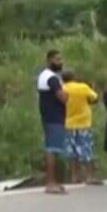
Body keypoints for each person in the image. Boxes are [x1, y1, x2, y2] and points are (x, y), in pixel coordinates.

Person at [62, 70, 102, 186]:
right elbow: (94, 98)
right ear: (74, 77)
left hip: (68, 123)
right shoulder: (83, 87)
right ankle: (90, 176)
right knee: (86, 149)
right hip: (84, 123)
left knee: (71, 152)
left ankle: (75, 176)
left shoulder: (62, 89)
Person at [37, 50, 69, 194]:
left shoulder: (44, 75)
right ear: (49, 60)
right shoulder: (51, 78)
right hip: (54, 118)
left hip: (49, 117)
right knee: (52, 150)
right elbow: (62, 97)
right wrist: (66, 94)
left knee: (52, 149)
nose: (60, 62)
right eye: (57, 59)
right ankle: (50, 183)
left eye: (61, 59)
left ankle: (53, 181)